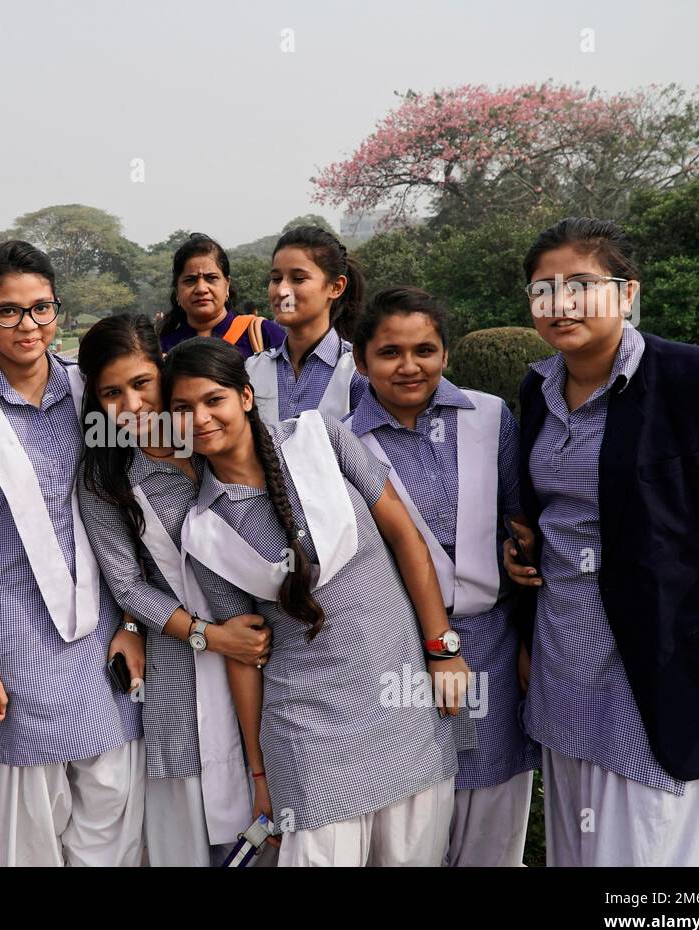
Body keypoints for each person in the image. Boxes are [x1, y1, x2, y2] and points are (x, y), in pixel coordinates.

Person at [505, 216, 699, 866]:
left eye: (581, 283)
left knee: (655, 865)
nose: (561, 302)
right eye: (543, 288)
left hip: (665, 672)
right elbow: (549, 511)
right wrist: (514, 546)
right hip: (566, 664)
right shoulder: (538, 389)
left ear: (627, 293)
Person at [169, 336, 469, 867]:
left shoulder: (321, 439)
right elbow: (246, 654)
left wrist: (442, 647)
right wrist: (259, 776)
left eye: (212, 400)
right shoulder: (205, 528)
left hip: (403, 703)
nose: (200, 418)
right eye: (182, 409)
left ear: (244, 396)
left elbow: (406, 538)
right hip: (308, 734)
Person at [0, 240, 144, 867]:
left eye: (41, 309)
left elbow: (128, 509)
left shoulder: (90, 391)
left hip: (102, 631)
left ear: (58, 309)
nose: (28, 326)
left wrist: (135, 621)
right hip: (9, 640)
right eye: (9, 312)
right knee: (28, 817)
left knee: (110, 801)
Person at [348, 286, 540, 866]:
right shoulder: (339, 440)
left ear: (446, 354)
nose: (409, 366)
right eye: (390, 353)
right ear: (361, 361)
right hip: (396, 655)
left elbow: (522, 523)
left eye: (425, 350)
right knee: (407, 827)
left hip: (493, 648)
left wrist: (528, 630)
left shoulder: (488, 417)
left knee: (493, 819)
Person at [76, 314, 270, 866]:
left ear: (163, 374)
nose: (131, 405)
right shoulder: (108, 478)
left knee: (271, 798)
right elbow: (128, 584)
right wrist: (211, 636)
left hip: (264, 650)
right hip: (179, 661)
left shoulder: (217, 440)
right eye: (112, 393)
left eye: (141, 384)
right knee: (188, 820)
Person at [246, 225, 369, 425]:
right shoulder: (252, 368)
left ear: (336, 287)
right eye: (276, 279)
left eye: (298, 279)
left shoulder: (358, 372)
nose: (282, 290)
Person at [156, 233, 286, 359]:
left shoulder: (264, 334)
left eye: (211, 278)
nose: (201, 289)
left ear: (227, 285)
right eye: (190, 280)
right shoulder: (162, 348)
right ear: (177, 291)